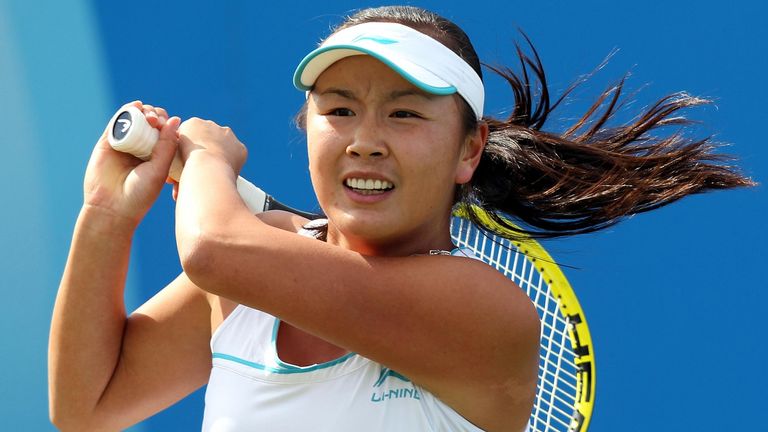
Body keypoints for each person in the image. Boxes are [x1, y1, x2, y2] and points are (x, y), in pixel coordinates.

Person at [48, 5, 753, 432]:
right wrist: (106, 214)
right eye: (340, 109)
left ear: (468, 150)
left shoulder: (481, 307)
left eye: (406, 112)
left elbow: (210, 250)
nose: (365, 138)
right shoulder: (250, 269)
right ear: (306, 127)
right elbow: (88, 407)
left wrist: (207, 157)